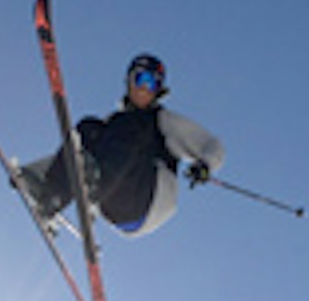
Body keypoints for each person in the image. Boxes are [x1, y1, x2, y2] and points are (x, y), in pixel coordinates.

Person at [18, 53, 224, 237]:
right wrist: (38, 174)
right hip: (114, 205)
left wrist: (205, 165)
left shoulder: (162, 119)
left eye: (152, 83)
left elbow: (212, 144)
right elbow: (77, 151)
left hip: (145, 200)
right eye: (140, 79)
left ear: (158, 91)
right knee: (88, 128)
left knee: (130, 123)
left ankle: (96, 182)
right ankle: (51, 196)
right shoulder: (114, 125)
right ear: (129, 82)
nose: (144, 88)